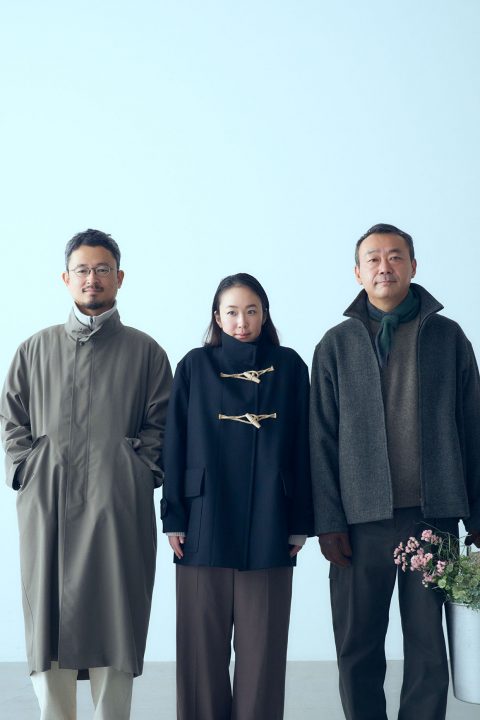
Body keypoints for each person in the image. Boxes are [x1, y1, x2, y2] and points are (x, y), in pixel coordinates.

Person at [310, 223, 480, 720]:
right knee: (357, 644)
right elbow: (320, 439)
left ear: (412, 266)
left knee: (428, 647)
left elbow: (472, 427)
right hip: (359, 522)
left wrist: (477, 515)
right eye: (373, 258)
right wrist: (329, 521)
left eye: (395, 256)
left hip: (432, 517)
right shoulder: (336, 344)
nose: (384, 267)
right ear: (358, 272)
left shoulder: (448, 337)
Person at [0, 229, 172, 720]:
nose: (91, 278)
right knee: (47, 628)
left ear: (119, 277)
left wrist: (134, 471)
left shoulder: (145, 353)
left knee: (116, 621)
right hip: (48, 507)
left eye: (102, 269)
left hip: (117, 509)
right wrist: (28, 469)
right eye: (82, 270)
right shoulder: (34, 350)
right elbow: (11, 421)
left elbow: (162, 426)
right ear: (66, 278)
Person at [161, 272, 313, 720]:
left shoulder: (289, 366)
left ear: (265, 315)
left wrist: (301, 521)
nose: (242, 322)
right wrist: (174, 516)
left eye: (251, 311)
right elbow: (174, 444)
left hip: (272, 518)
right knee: (200, 653)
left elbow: (304, 446)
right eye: (232, 312)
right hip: (202, 519)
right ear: (217, 317)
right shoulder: (194, 366)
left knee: (263, 653)